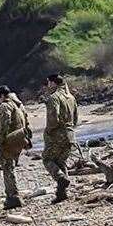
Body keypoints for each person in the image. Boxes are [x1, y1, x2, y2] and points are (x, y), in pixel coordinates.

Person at [42, 74, 78, 204]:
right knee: (60, 161)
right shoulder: (71, 97)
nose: (47, 86)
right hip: (70, 133)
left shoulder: (53, 98)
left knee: (47, 159)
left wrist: (49, 131)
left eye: (48, 83)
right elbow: (75, 118)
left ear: (52, 83)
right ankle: (62, 193)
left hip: (57, 134)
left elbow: (53, 118)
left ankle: (60, 178)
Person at [0, 85, 32, 210]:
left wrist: (0, 140)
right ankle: (13, 196)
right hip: (20, 138)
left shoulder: (5, 105)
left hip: (11, 139)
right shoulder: (19, 104)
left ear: (1, 96)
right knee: (11, 166)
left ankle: (12, 197)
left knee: (7, 167)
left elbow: (5, 123)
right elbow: (26, 120)